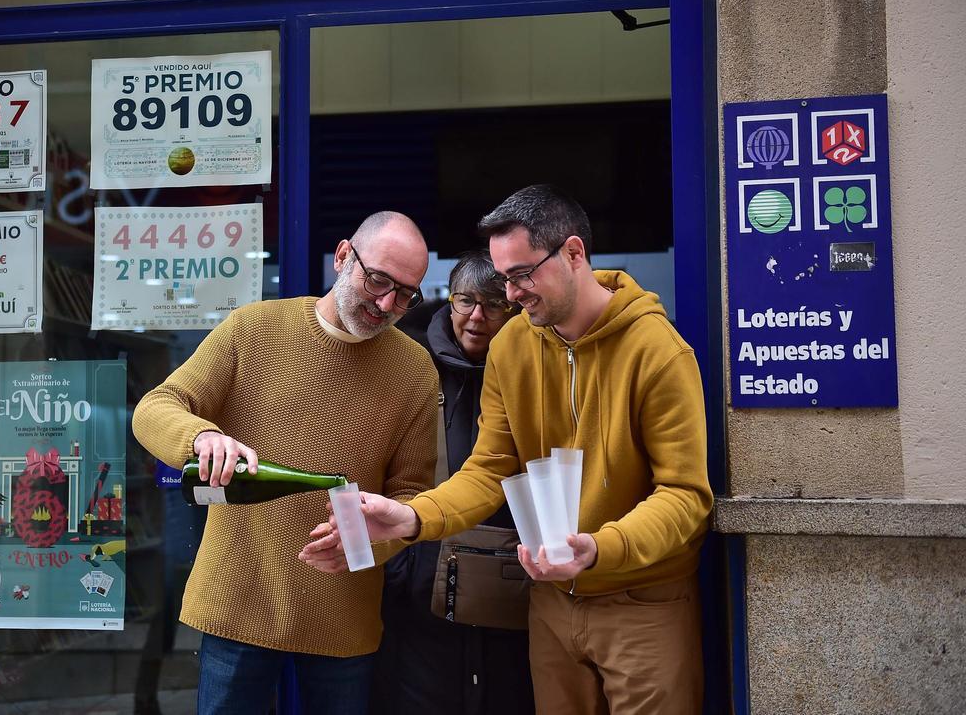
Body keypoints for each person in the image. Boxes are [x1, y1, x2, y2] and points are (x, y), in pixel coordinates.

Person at [302, 186, 713, 715]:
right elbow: (489, 468)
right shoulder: (514, 346)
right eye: (503, 279)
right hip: (549, 602)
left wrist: (599, 549)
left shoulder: (658, 351)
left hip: (642, 600)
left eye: (521, 275)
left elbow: (685, 495)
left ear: (572, 253)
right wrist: (410, 517)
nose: (511, 294)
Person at [132, 211, 439, 715]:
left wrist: (371, 543)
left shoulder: (415, 372)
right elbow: (155, 407)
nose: (387, 304)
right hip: (239, 599)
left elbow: (410, 498)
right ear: (344, 256)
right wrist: (202, 437)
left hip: (345, 612)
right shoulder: (255, 328)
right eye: (378, 279)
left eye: (405, 293)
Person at [370, 250, 534, 715]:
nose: (477, 317)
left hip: (514, 571)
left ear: (516, 307)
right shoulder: (407, 362)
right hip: (420, 573)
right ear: (448, 301)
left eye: (493, 304)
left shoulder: (535, 365)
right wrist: (404, 566)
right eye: (465, 301)